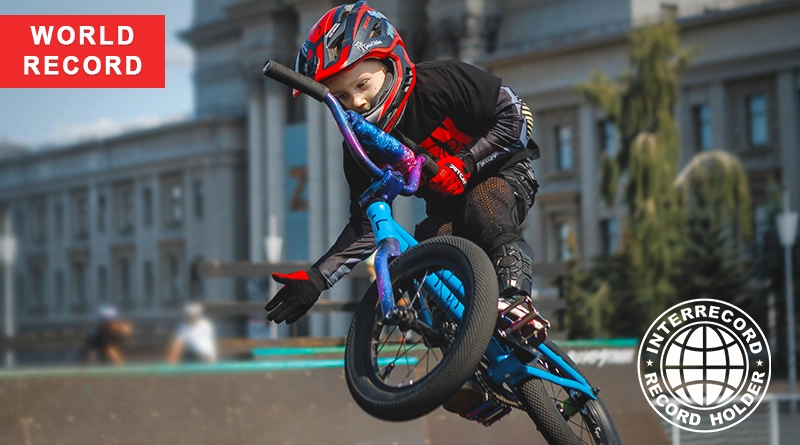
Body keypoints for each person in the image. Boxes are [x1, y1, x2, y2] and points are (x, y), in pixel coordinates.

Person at [265, 1, 547, 415]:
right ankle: (471, 374)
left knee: (484, 211)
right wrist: (318, 277)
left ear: (390, 60)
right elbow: (366, 223)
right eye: (342, 96)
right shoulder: (360, 148)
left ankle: (517, 300)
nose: (357, 103)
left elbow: (515, 117)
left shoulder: (440, 82)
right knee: (428, 270)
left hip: (502, 173)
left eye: (362, 85)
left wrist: (465, 164)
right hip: (446, 204)